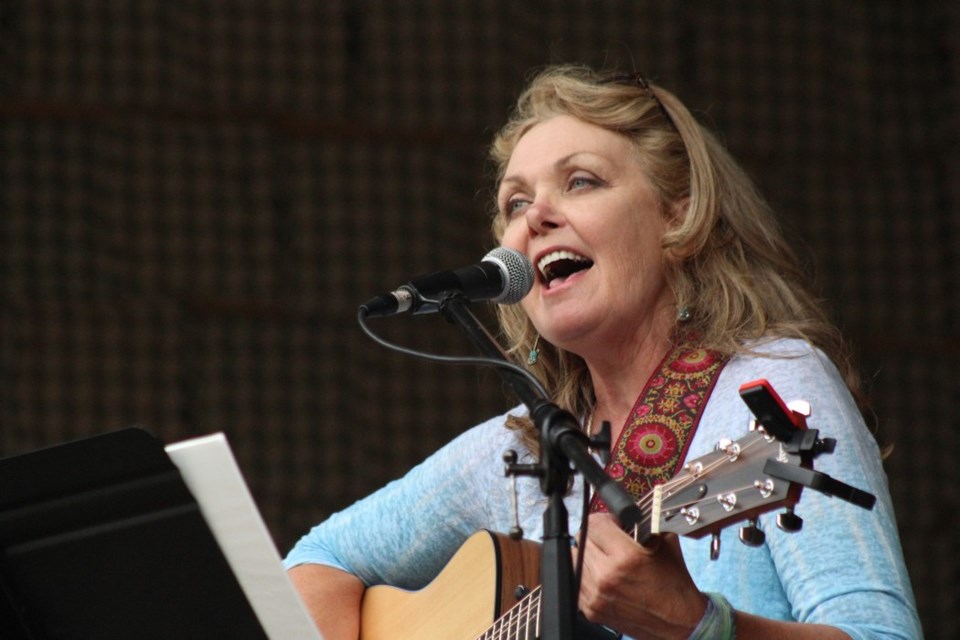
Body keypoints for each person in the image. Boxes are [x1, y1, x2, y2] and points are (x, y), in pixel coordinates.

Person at [284, 64, 922, 639]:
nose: (535, 218)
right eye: (515, 201)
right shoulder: (519, 450)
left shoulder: (771, 392)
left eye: (581, 181)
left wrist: (705, 628)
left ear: (680, 213)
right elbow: (312, 564)